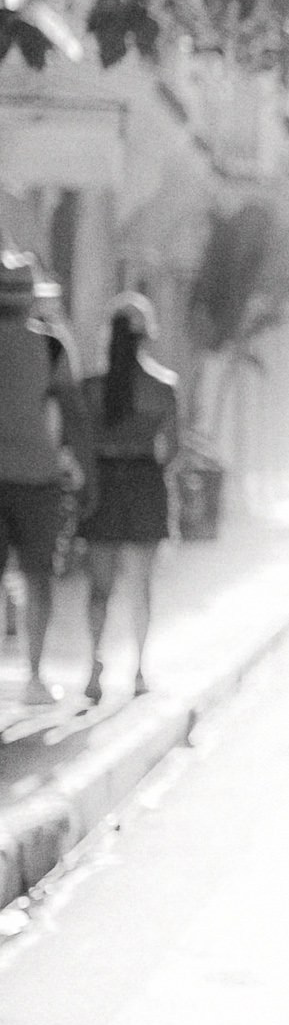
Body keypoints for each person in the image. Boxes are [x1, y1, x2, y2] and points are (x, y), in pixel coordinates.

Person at [78, 292, 180, 704]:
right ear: (146, 336)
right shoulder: (162, 388)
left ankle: (94, 665)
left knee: (99, 587)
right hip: (144, 483)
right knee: (141, 586)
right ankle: (138, 670)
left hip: (103, 483)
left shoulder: (91, 389)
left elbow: (81, 444)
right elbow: (172, 450)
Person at [0, 251, 91, 708]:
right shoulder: (51, 346)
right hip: (38, 479)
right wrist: (88, 474)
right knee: (38, 580)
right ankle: (34, 678)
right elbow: (74, 415)